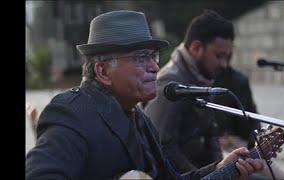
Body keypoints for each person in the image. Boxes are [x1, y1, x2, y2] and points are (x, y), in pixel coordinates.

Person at [26, 10, 264, 179]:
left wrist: (220, 169)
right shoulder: (73, 113)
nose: (153, 67)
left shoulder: (143, 122)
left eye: (153, 56)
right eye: (141, 57)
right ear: (103, 71)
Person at [144, 9, 261, 174]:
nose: (224, 65)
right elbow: (163, 147)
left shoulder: (201, 76)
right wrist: (208, 175)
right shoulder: (171, 84)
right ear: (196, 47)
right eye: (219, 56)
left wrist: (221, 171)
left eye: (227, 57)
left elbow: (211, 136)